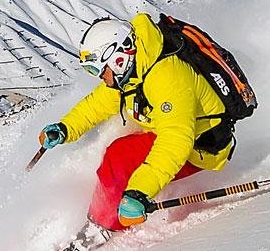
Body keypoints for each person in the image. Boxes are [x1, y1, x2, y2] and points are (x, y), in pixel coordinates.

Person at [39, 13, 241, 231]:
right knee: (119, 149)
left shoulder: (167, 77)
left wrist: (140, 191)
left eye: (97, 69)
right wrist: (65, 128)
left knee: (118, 158)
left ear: (118, 58)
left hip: (200, 147)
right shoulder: (137, 66)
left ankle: (103, 226)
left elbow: (175, 140)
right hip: (172, 130)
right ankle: (105, 212)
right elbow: (98, 103)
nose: (99, 76)